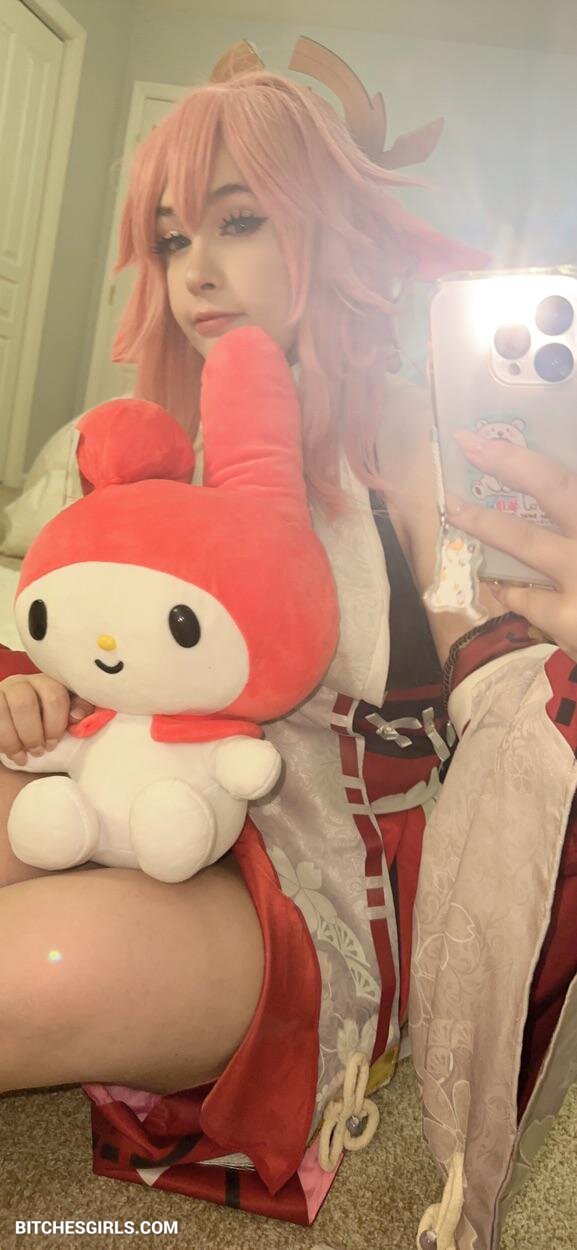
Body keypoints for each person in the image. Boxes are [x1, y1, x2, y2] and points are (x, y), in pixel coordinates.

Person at [0, 40, 575, 1236]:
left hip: (310, 870)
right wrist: (31, 688)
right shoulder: (166, 438)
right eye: (173, 239)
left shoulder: (410, 436)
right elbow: (79, 634)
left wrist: (542, 640)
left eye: (239, 221)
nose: (196, 271)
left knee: (32, 976)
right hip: (133, 781)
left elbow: (493, 678)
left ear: (325, 230)